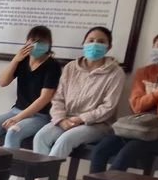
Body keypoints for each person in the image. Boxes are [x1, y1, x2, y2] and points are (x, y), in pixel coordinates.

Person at [33, 26, 124, 160]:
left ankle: (44, 173)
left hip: (97, 125)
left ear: (108, 47)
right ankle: (40, 172)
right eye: (91, 40)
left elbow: (108, 107)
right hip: (66, 118)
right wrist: (61, 119)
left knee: (65, 140)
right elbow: (58, 98)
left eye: (101, 41)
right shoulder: (71, 67)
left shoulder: (116, 72)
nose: (95, 44)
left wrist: (80, 119)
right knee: (41, 137)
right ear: (83, 44)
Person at [90, 32, 158, 173]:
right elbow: (137, 106)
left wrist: (149, 97)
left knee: (126, 153)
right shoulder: (144, 72)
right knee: (100, 150)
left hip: (157, 134)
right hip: (137, 126)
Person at [0, 26, 60, 148]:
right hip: (16, 110)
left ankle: (9, 161)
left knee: (13, 132)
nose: (36, 44)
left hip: (40, 115)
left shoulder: (52, 66)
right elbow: (3, 82)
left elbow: (44, 98)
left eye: (41, 41)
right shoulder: (22, 61)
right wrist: (15, 60)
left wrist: (18, 118)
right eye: (33, 40)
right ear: (26, 42)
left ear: (49, 45)